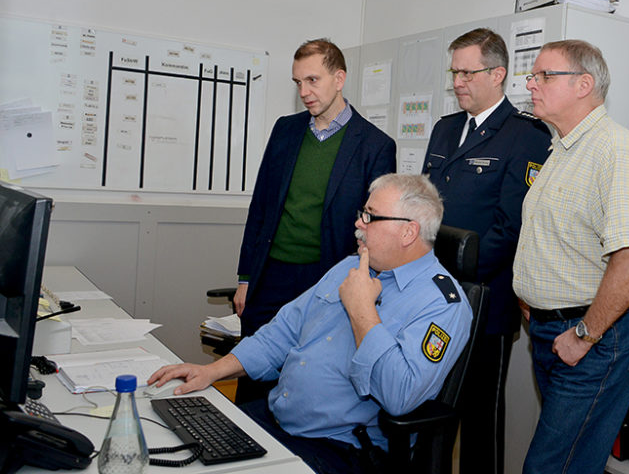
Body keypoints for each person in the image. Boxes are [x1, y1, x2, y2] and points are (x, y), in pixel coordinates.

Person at [150, 174, 472, 474]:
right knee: (173, 445)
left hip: (338, 449)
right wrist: (212, 371)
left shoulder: (442, 304)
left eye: (371, 217)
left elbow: (399, 396)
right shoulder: (350, 265)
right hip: (276, 418)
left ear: (408, 232)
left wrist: (362, 310)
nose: (359, 223)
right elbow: (283, 331)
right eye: (363, 212)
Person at [513, 39, 629, 474]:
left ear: (584, 84)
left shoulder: (614, 149)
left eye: (544, 76)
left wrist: (584, 334)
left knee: (551, 468)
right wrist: (533, 295)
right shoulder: (561, 147)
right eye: (532, 76)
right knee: (571, 462)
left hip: (596, 335)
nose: (531, 85)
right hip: (552, 328)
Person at [234, 39, 395, 400]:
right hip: (270, 275)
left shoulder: (374, 145)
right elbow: (261, 206)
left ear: (339, 79)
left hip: (326, 280)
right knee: (253, 376)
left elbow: (374, 230)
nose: (304, 92)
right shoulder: (285, 131)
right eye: (297, 83)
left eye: (312, 80)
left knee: (310, 381)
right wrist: (245, 277)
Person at [421, 27, 550, 474]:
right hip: (430, 298)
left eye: (467, 72)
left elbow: (511, 227)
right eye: (454, 72)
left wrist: (455, 274)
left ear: (498, 74)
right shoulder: (444, 129)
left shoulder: (525, 135)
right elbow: (425, 207)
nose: (458, 81)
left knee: (480, 420)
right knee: (430, 411)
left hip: (484, 301)